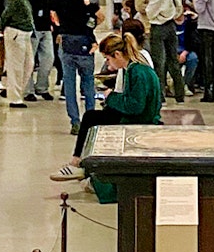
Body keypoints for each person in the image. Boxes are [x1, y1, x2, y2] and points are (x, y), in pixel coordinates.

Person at [50, 31, 163, 183]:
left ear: (117, 54)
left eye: (108, 59)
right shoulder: (136, 68)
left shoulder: (137, 72)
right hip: (141, 115)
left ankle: (77, 162)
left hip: (141, 119)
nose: (108, 64)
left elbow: (135, 106)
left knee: (90, 118)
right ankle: (81, 161)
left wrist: (111, 97)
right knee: (96, 115)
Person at [49, 0, 101, 134]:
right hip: (85, 40)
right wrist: (90, 27)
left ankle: (75, 121)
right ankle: (90, 118)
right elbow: (99, 16)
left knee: (69, 83)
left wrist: (61, 27)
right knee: (88, 81)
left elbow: (53, 16)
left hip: (66, 39)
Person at [146, 0, 187, 103]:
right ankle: (180, 93)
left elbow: (150, 12)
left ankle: (160, 94)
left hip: (158, 27)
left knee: (159, 62)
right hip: (171, 26)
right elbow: (179, 9)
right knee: (173, 61)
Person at [0, 0, 35, 110]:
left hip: (26, 33)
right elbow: (6, 14)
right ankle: (15, 98)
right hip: (15, 32)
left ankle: (15, 90)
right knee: (16, 66)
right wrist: (1, 30)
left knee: (28, 64)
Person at [23, 0, 57, 102]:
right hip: (33, 27)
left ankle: (42, 87)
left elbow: (49, 4)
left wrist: (52, 21)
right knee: (30, 60)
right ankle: (28, 90)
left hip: (46, 26)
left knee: (48, 58)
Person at [175, 9, 199, 93]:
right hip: (173, 51)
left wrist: (185, 52)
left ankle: (185, 84)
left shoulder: (189, 24)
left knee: (193, 58)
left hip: (186, 50)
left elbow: (193, 41)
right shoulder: (169, 24)